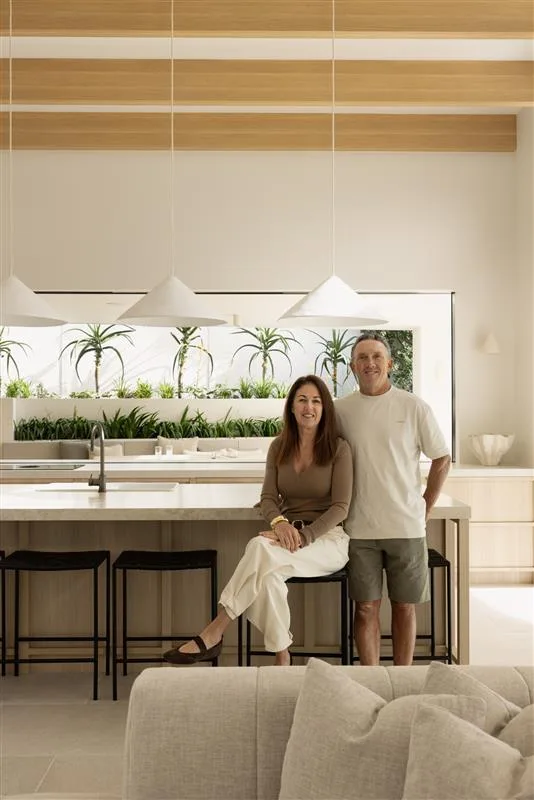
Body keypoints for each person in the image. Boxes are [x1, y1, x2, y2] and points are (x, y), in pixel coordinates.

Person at [163, 374, 353, 667]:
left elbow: (341, 507)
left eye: (316, 401)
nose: (309, 407)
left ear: (325, 408)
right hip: (287, 538)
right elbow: (267, 497)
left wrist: (304, 536)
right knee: (268, 578)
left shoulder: (339, 449)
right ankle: (282, 656)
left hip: (328, 541)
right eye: (302, 400)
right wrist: (280, 523)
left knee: (257, 548)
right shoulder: (279, 447)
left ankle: (215, 631)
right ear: (292, 407)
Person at [336, 333, 451, 666]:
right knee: (365, 608)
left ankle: (402, 679)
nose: (369, 363)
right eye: (362, 357)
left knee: (404, 607)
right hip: (359, 529)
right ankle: (371, 680)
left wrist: (426, 505)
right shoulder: (340, 410)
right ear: (352, 366)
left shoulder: (413, 406)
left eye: (376, 357)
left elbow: (442, 458)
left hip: (406, 527)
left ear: (389, 363)